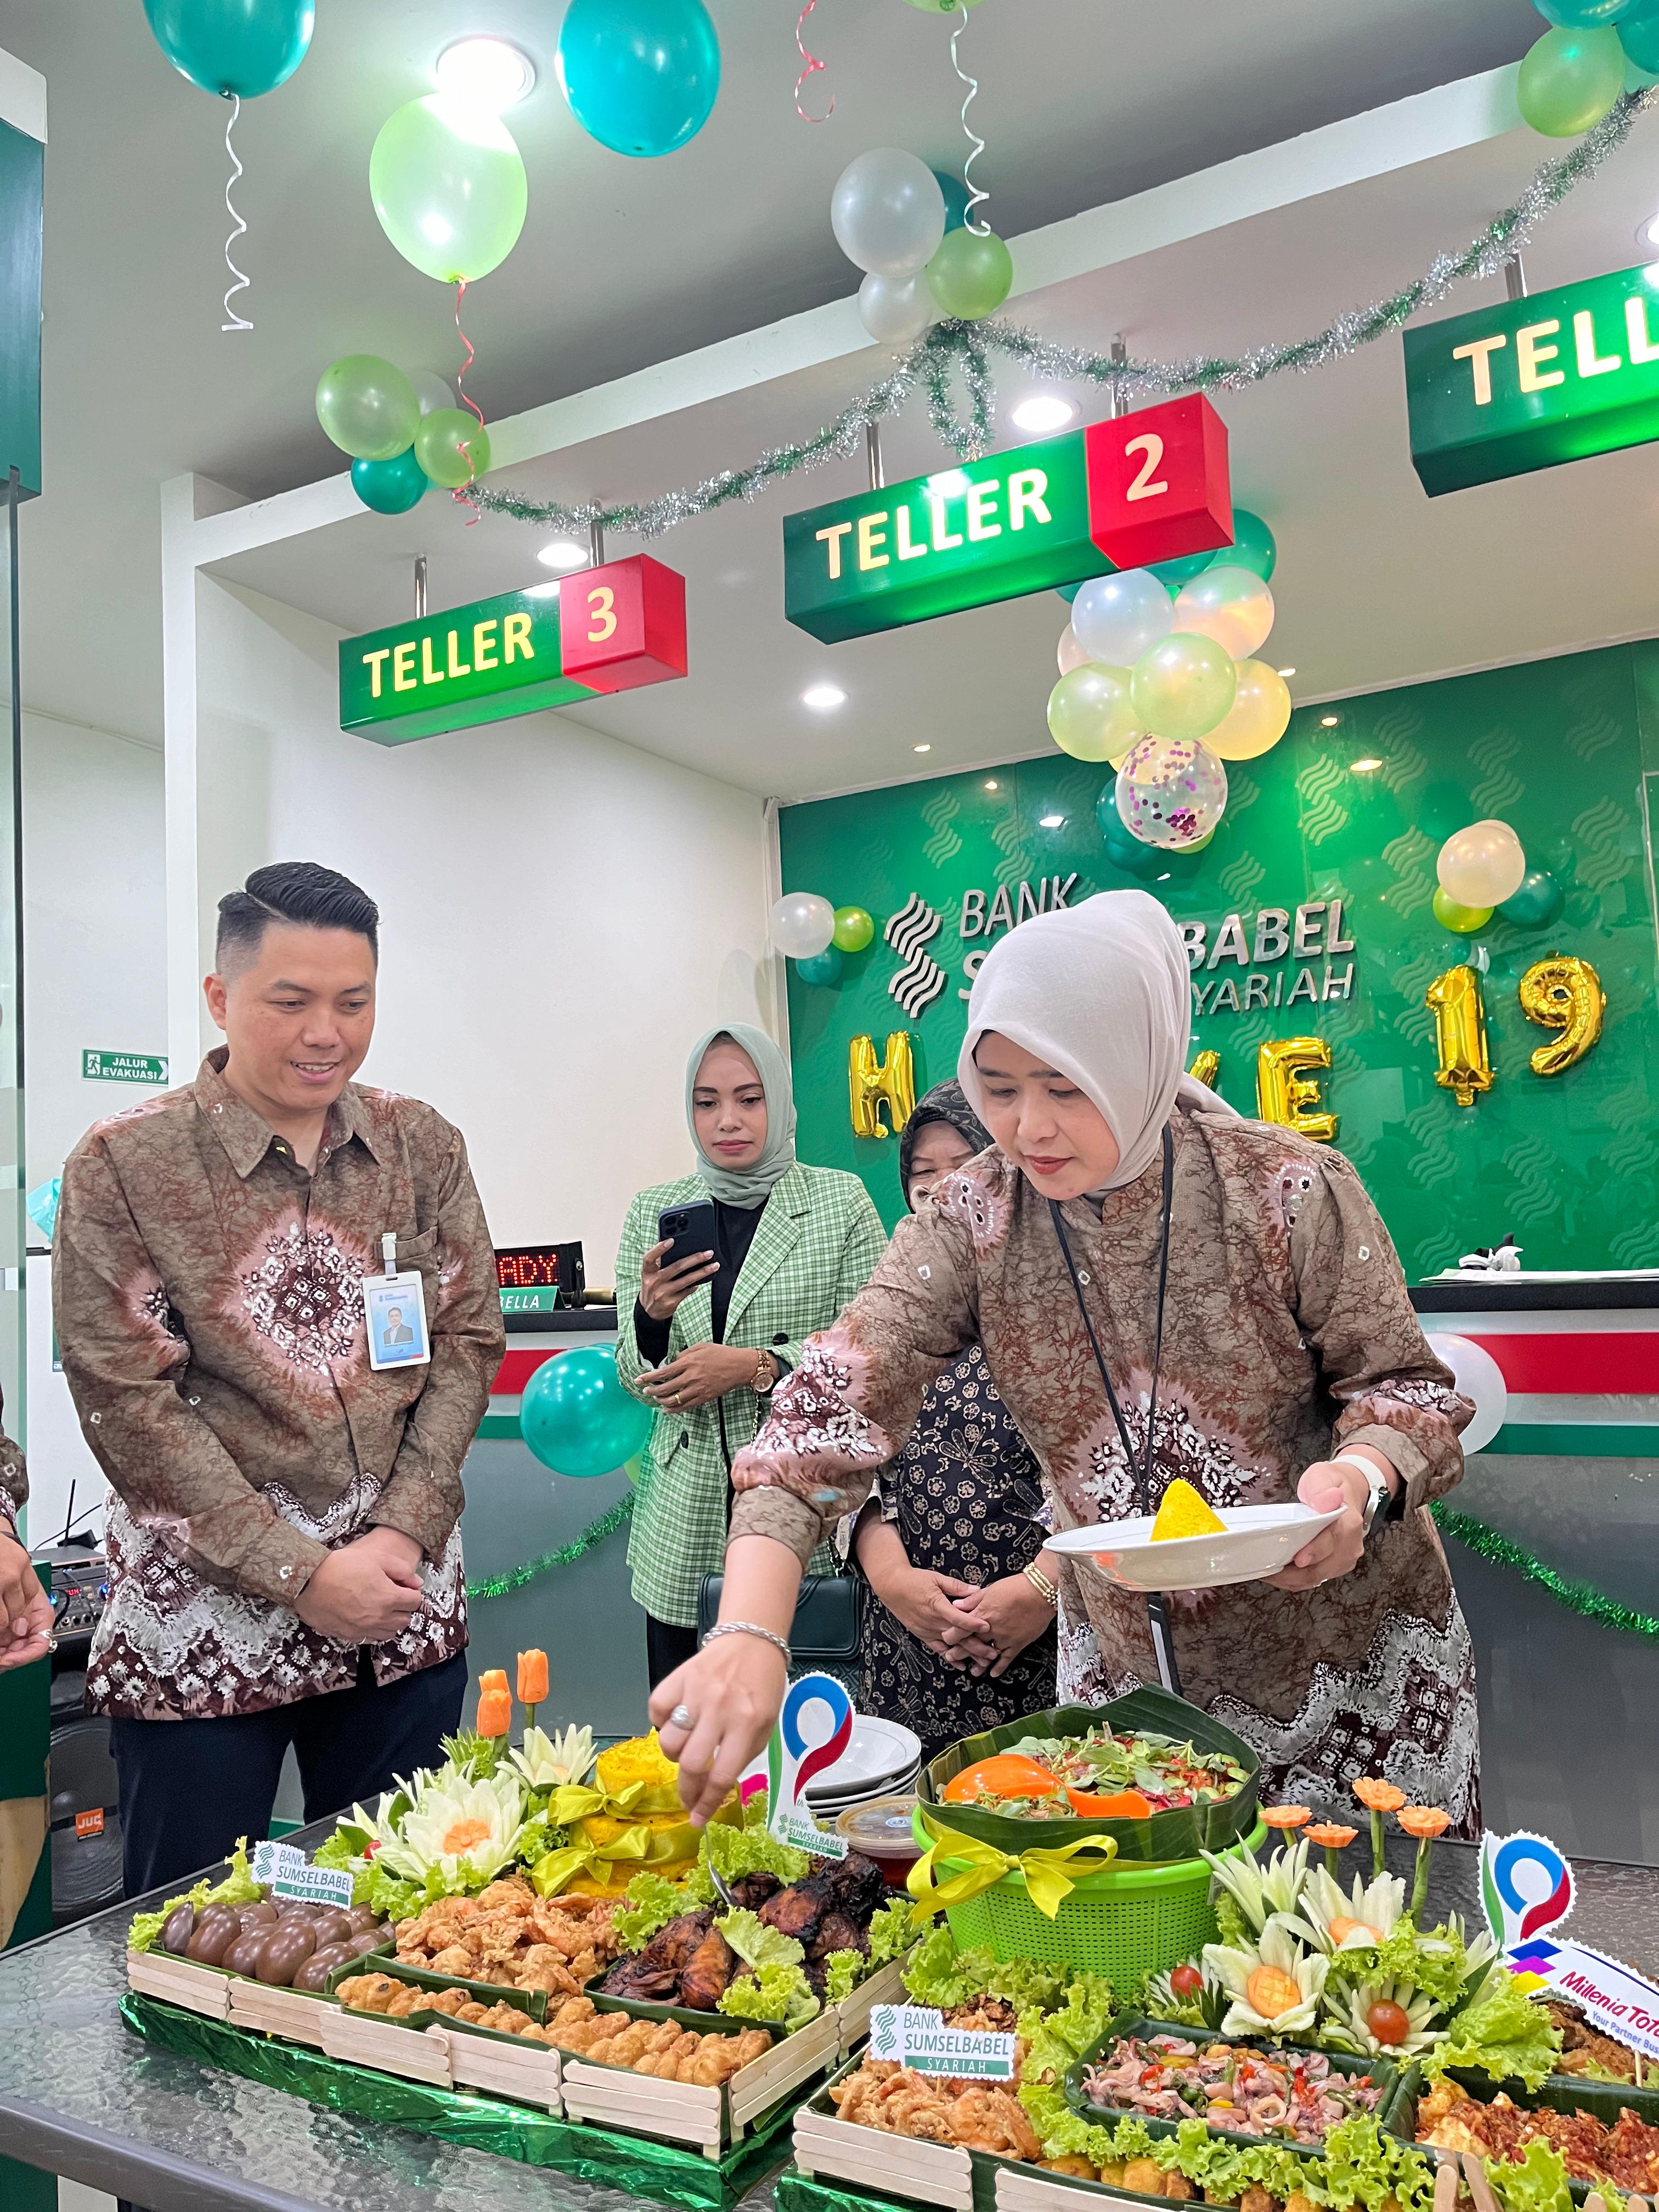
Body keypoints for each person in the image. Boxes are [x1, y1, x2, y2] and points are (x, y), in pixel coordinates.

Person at [652, 891, 1481, 1837]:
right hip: (1128, 1679)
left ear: (1137, 1060)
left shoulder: (1282, 1186)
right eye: (998, 1088)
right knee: (1147, 1957)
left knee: (1358, 1957)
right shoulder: (975, 1216)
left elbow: (1404, 1388)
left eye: (1065, 1085)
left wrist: (1362, 1480)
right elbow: (827, 1401)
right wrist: (750, 1630)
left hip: (1339, 1663)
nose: (1028, 1128)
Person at [53, 862, 505, 1894]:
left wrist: (399, 1530)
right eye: (290, 1001)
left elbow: (468, 1337)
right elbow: (128, 1399)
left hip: (399, 1612)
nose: (326, 1033)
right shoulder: (128, 1162)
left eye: (354, 1002)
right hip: (210, 1633)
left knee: (414, 1911)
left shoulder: (417, 1142)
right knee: (198, 1930)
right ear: (220, 998)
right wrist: (304, 1574)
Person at [615, 1024, 887, 1688]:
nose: (727, 1121)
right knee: (689, 1736)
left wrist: (755, 1367)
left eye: (749, 1098)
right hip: (683, 1513)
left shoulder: (837, 1201)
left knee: (807, 1729)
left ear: (781, 1103)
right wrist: (650, 1316)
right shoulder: (655, 1210)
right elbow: (633, 1376)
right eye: (707, 1103)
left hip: (804, 1501)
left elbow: (873, 1354)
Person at [850, 1081, 1057, 1754]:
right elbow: (847, 1466)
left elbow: (1121, 1481)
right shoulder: (887, 1308)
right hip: (911, 1646)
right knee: (914, 1845)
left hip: (1050, 1641)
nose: (944, 1192)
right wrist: (894, 1581)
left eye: (963, 1168)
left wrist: (1038, 1592)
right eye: (922, 1176)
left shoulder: (1066, 1307)